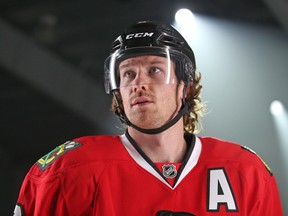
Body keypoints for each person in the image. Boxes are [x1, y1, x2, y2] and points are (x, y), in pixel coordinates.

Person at [14, 21, 283, 216]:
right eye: (128, 74)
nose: (138, 84)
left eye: (155, 70)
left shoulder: (246, 171)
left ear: (186, 86)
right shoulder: (69, 170)